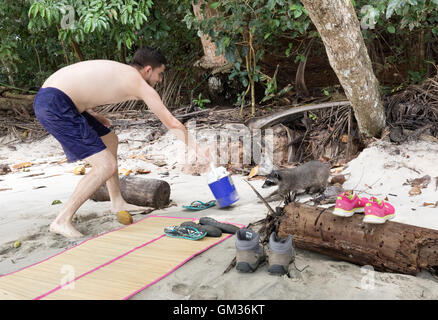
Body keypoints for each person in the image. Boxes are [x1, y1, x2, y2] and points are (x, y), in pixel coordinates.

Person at [33, 47, 210, 239]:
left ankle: (117, 201)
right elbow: (172, 123)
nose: (160, 80)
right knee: (106, 166)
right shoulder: (137, 82)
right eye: (160, 74)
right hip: (55, 104)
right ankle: (61, 220)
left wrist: (91, 113)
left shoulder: (122, 73)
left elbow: (83, 85)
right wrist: (197, 150)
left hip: (58, 100)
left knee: (110, 139)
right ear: (148, 70)